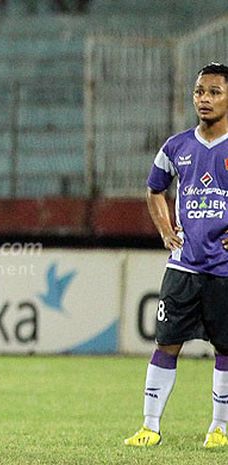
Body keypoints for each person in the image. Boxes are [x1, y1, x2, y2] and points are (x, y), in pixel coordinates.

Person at [124, 62, 228, 449]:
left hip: (224, 269)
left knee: (226, 348)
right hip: (183, 266)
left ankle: (219, 428)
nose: (204, 99)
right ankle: (150, 426)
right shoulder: (176, 146)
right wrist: (166, 229)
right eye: (200, 91)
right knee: (166, 344)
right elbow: (154, 189)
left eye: (214, 91)